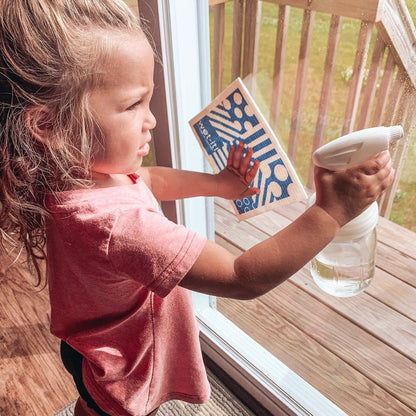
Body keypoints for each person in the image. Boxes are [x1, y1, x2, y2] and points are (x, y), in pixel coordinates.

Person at [0, 1, 395, 415]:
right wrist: (330, 213)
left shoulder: (74, 172)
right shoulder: (119, 224)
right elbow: (242, 277)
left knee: (91, 404)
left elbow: (147, 181)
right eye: (134, 105)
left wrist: (219, 185)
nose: (151, 120)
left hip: (86, 347)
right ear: (47, 126)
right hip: (123, 369)